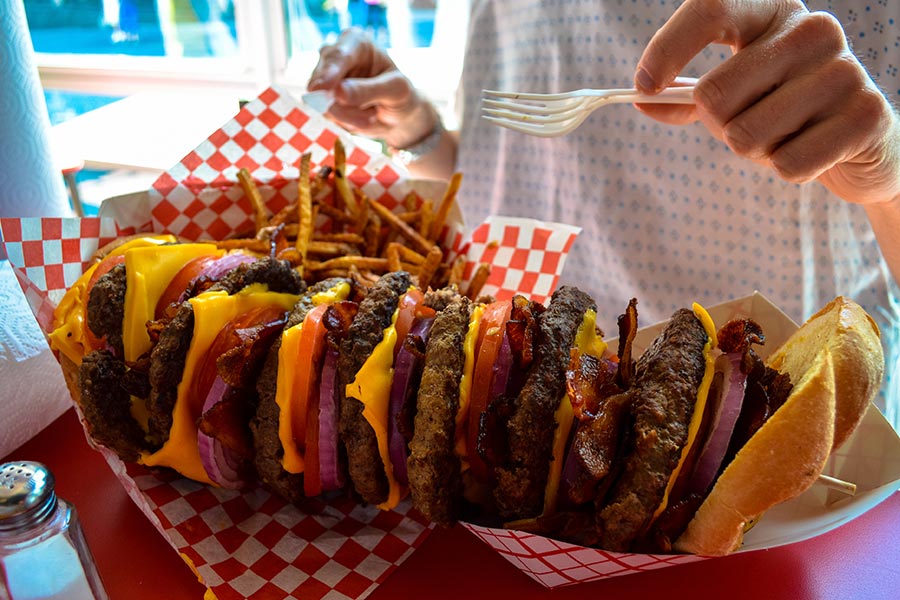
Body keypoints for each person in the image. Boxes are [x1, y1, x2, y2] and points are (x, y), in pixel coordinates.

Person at [306, 0, 900, 429]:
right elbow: (518, 166)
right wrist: (421, 132)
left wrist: (888, 174)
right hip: (496, 405)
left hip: (788, 439)